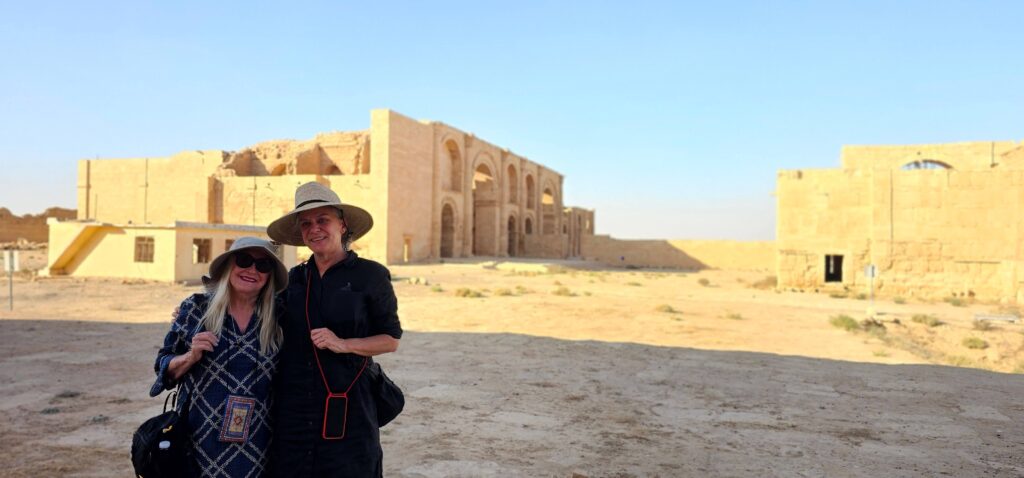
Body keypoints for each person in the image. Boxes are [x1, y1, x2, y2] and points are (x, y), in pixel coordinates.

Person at [267, 181, 402, 477]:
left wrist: (344, 343)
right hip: (293, 413)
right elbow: (256, 311)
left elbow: (390, 339)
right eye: (306, 224)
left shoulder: (371, 275)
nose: (314, 228)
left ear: (342, 225)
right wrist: (199, 308)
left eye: (322, 220)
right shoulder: (293, 280)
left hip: (350, 409)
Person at [150, 236, 288, 477]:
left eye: (263, 266)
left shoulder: (281, 316)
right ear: (228, 266)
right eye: (244, 260)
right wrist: (190, 356)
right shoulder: (196, 308)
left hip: (259, 442)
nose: (252, 270)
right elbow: (163, 366)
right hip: (198, 438)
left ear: (269, 277)